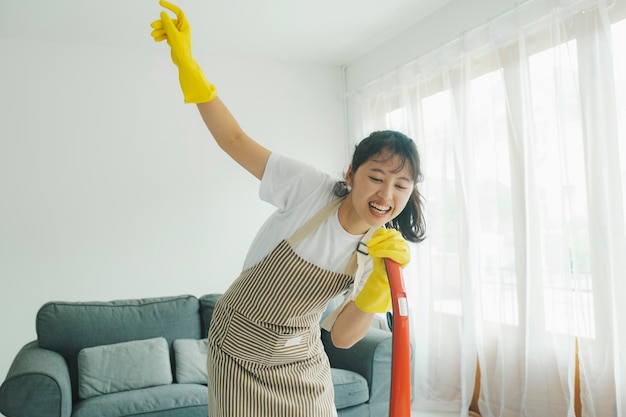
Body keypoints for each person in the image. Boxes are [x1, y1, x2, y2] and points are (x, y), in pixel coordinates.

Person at [150, 1, 426, 416]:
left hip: (299, 359)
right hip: (236, 350)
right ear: (351, 174)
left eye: (401, 185)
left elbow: (346, 337)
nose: (387, 193)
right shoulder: (310, 190)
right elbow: (236, 143)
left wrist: (377, 290)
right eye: (376, 176)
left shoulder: (381, 249)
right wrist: (190, 70)